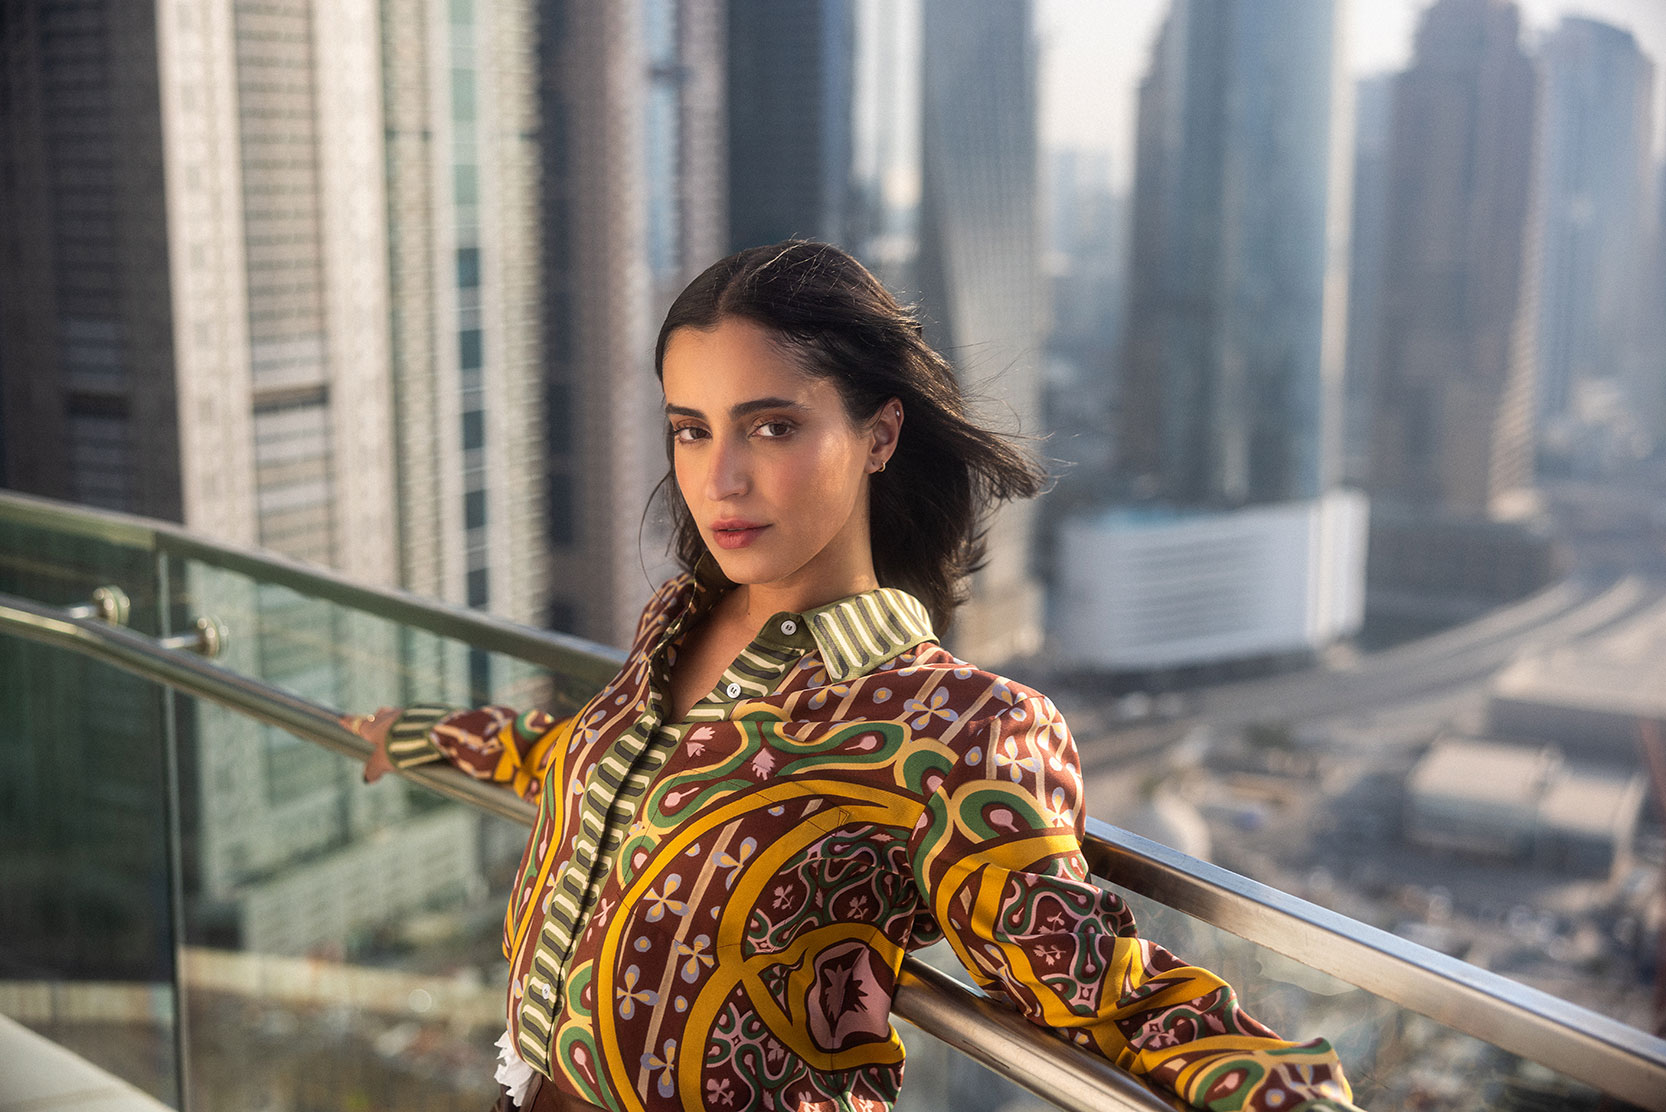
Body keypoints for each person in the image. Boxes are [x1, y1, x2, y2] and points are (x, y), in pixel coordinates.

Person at [345, 241, 1358, 1112]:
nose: (720, 477)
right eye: (690, 427)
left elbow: (1092, 983)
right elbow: (589, 761)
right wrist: (431, 736)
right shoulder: (677, 618)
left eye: (772, 425)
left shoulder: (957, 727)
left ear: (880, 433)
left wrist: (1289, 1090)